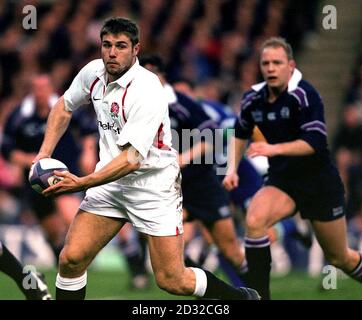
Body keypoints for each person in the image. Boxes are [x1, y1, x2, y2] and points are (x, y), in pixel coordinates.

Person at [33, 17, 260, 300]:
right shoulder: (92, 72)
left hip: (153, 185)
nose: (112, 53)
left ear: (136, 49)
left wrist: (82, 183)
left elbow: (131, 159)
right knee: (71, 259)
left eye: (120, 46)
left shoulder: (147, 89)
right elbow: (64, 106)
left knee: (172, 279)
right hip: (110, 183)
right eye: (106, 45)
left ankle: (242, 298)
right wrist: (43, 155)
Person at [223, 37, 362, 299]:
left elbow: (314, 143)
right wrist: (232, 169)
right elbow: (240, 133)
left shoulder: (305, 94)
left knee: (339, 257)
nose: (271, 68)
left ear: (290, 65)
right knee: (254, 221)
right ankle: (259, 296)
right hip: (282, 180)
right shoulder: (253, 97)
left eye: (277, 63)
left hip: (319, 183)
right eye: (266, 63)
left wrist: (273, 149)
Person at [1, 75, 98, 260]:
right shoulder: (20, 115)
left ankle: (79, 258)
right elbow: (7, 149)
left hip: (64, 174)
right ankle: (61, 261)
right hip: (35, 180)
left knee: (72, 220)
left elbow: (88, 131)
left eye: (44, 88)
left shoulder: (66, 107)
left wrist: (88, 152)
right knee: (52, 232)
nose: (40, 93)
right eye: (36, 88)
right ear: (31, 91)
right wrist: (25, 159)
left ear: (51, 89)